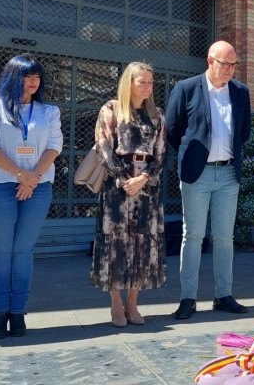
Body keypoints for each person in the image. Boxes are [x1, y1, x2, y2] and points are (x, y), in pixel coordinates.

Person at [0, 55, 62, 338]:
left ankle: (18, 311)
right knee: (2, 252)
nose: (33, 81)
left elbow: (53, 147)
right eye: (27, 76)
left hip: (38, 188)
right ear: (13, 77)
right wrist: (20, 175)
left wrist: (32, 177)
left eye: (37, 76)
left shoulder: (49, 112)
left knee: (23, 251)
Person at [166, 41, 252, 320]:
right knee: (192, 236)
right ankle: (188, 298)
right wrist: (192, 155)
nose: (229, 69)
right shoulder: (187, 88)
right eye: (224, 63)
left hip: (228, 174)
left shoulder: (240, 92)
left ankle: (223, 295)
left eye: (233, 64)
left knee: (225, 237)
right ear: (209, 61)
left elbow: (245, 131)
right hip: (197, 174)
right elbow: (173, 130)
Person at [90, 62, 167, 328]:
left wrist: (144, 177)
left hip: (147, 186)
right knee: (116, 245)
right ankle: (115, 305)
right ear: (129, 83)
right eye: (141, 82)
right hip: (117, 186)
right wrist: (125, 179)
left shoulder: (156, 114)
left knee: (142, 246)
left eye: (150, 82)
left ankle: (133, 304)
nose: (147, 87)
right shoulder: (111, 109)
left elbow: (161, 151)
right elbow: (103, 146)